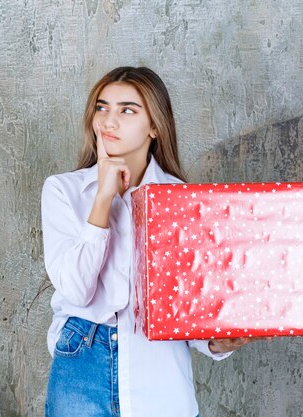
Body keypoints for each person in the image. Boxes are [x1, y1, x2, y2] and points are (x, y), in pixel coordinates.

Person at [41, 67, 254, 417]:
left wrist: (217, 341)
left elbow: (186, 304)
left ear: (154, 126)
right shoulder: (63, 191)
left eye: (127, 110)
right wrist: (103, 199)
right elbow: (76, 290)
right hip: (82, 362)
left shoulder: (182, 200)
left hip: (159, 370)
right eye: (101, 107)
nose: (109, 120)